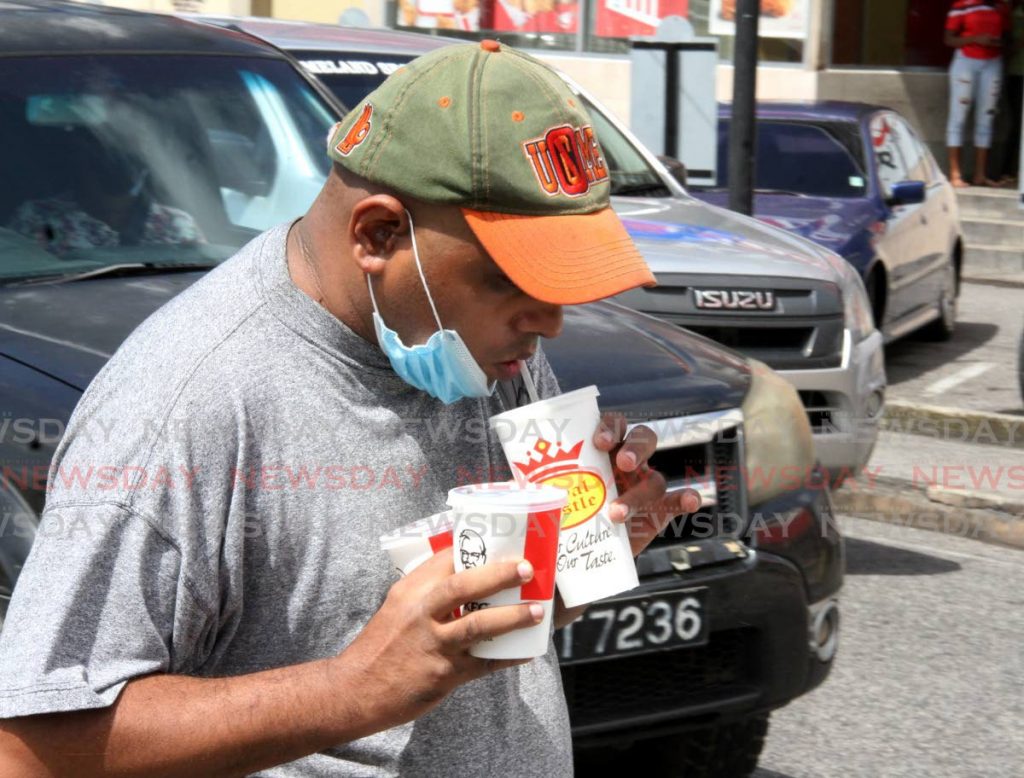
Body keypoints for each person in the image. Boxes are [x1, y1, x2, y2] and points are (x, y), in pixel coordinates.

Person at [0, 41, 699, 775]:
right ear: (378, 234)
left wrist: (587, 553)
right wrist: (352, 690)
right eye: (512, 279)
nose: (550, 321)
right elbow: (30, 749)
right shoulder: (183, 404)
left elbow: (497, 628)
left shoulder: (473, 341)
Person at [8, 130, 203, 257]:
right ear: (80, 163)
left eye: (130, 161)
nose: (117, 170)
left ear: (143, 168)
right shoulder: (38, 219)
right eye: (104, 160)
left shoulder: (177, 226)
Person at [945, 0, 1013, 187]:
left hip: (993, 62)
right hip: (966, 61)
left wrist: (1000, 42)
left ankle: (980, 174)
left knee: (986, 118)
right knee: (958, 116)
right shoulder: (962, 5)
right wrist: (974, 39)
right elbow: (949, 38)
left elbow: (1007, 36)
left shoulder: (1002, 7)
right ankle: (955, 174)